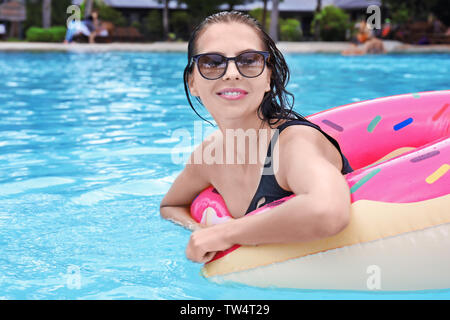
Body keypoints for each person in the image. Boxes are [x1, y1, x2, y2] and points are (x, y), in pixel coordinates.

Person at [160, 11, 353, 263]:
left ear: (268, 77)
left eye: (249, 60)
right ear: (193, 82)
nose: (231, 73)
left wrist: (225, 234)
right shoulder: (210, 156)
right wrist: (198, 230)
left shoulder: (293, 144)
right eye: (212, 62)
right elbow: (170, 206)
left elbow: (327, 210)